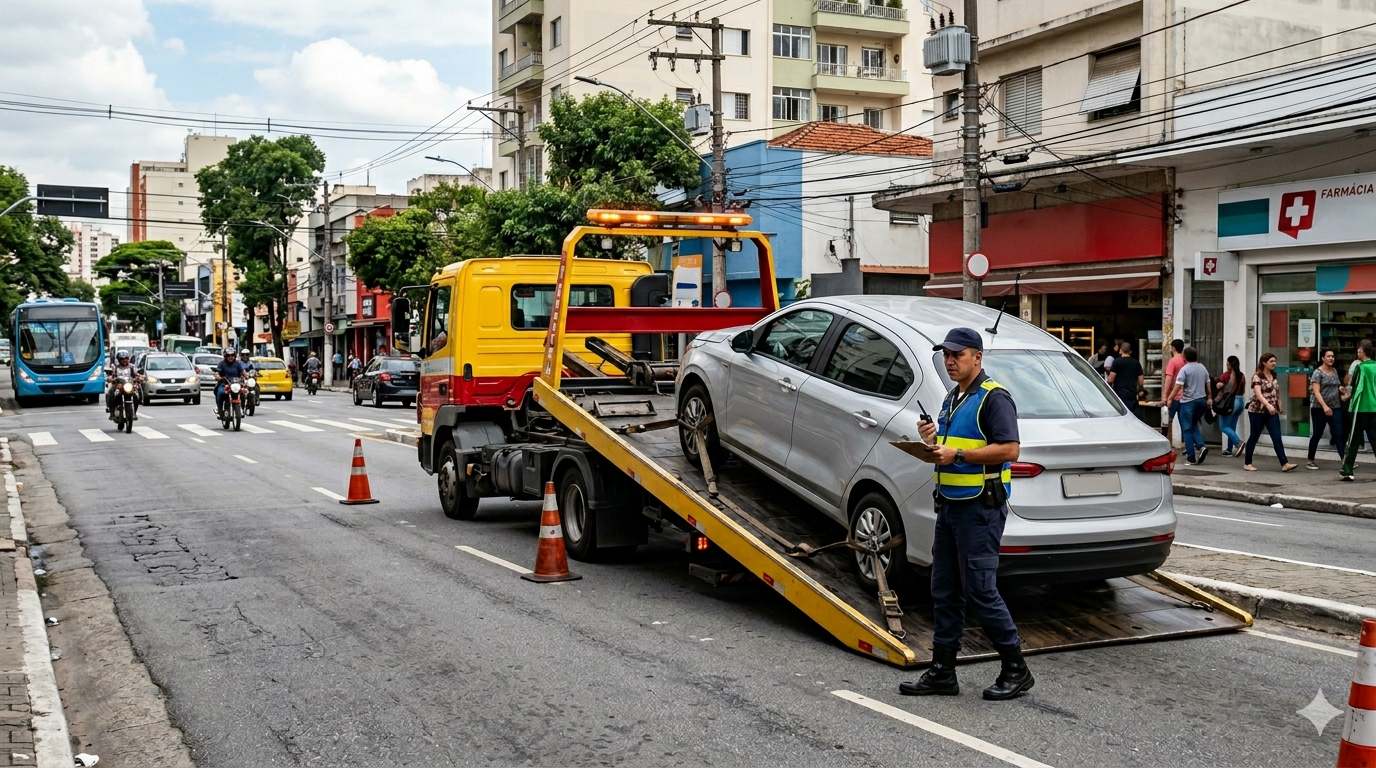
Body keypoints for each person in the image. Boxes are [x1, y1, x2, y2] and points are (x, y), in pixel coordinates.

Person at [899, 328, 1033, 702]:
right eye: (946, 355)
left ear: (978, 357)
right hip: (951, 505)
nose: (950, 361)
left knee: (980, 590)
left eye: (958, 354)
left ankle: (1016, 669)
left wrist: (955, 455)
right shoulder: (952, 398)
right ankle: (942, 671)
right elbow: (951, 446)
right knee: (944, 589)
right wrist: (931, 442)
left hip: (980, 508)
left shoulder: (994, 397)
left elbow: (1010, 450)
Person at [1244, 353, 1298, 472]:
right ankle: (1247, 462)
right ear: (1264, 363)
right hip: (1257, 412)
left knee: (1276, 437)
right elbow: (1258, 394)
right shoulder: (1257, 377)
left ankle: (1284, 463)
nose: (1274, 363)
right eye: (1271, 361)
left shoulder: (1273, 375)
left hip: (1271, 412)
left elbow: (1276, 392)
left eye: (1275, 361)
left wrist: (1279, 404)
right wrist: (1267, 405)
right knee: (1254, 436)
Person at [1169, 347, 1211, 464]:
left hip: (1188, 402)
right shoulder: (1202, 367)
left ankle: (1191, 456)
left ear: (1184, 357)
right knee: (1193, 424)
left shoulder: (1185, 369)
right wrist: (1210, 397)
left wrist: (1170, 398)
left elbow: (1178, 386)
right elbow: (1208, 382)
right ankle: (1201, 446)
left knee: (1187, 429)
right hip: (1201, 401)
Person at [1341, 340, 1376, 481]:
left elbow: (1355, 386)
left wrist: (1347, 395)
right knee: (1375, 439)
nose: (1358, 352)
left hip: (1360, 407)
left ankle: (1347, 469)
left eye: (1359, 350)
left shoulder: (1360, 367)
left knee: (1353, 439)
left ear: (1363, 351)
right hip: (1373, 407)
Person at [1308, 349, 1346, 469]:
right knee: (1317, 434)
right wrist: (1324, 407)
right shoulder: (1317, 373)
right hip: (1319, 408)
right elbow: (1316, 392)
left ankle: (1344, 460)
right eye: (1328, 356)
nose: (1331, 358)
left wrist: (1341, 390)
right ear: (1323, 358)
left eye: (1333, 356)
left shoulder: (1334, 371)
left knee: (1339, 433)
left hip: (1335, 407)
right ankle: (1310, 460)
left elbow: (1337, 385)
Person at [1215, 356, 1246, 457]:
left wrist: (1220, 385)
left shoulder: (1226, 375)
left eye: (1228, 364)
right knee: (1231, 427)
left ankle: (1238, 443)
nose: (1227, 366)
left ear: (1231, 365)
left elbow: (1224, 388)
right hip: (1240, 401)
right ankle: (1229, 449)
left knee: (1223, 426)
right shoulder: (1241, 375)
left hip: (1230, 402)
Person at [1106, 342, 1143, 417]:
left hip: (1119, 395)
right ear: (1130, 351)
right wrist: (1140, 389)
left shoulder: (1116, 362)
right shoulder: (1136, 363)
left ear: (1120, 350)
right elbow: (1141, 380)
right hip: (1132, 395)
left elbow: (1110, 380)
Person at [106, 349, 142, 421]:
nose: (124, 360)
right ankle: (112, 412)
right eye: (122, 359)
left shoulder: (132, 366)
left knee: (137, 396)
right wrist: (110, 378)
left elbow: (136, 374)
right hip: (118, 385)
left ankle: (134, 413)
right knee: (110, 393)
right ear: (119, 360)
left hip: (129, 386)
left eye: (126, 358)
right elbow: (112, 375)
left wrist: (140, 378)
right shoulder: (115, 367)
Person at [1161, 339, 1186, 444]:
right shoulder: (1185, 360)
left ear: (1173, 348)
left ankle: (1167, 442)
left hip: (1173, 396)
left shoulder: (1172, 361)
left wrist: (1165, 395)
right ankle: (1187, 445)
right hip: (1185, 396)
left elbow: (1169, 379)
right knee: (1184, 422)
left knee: (1167, 421)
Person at [213, 348, 246, 417]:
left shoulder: (237, 363)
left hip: (236, 384)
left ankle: (242, 408)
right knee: (220, 392)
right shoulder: (222, 364)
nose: (231, 357)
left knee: (243, 392)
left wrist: (247, 375)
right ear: (225, 356)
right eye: (228, 356)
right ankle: (219, 409)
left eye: (232, 355)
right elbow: (217, 372)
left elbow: (243, 372)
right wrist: (218, 376)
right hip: (225, 384)